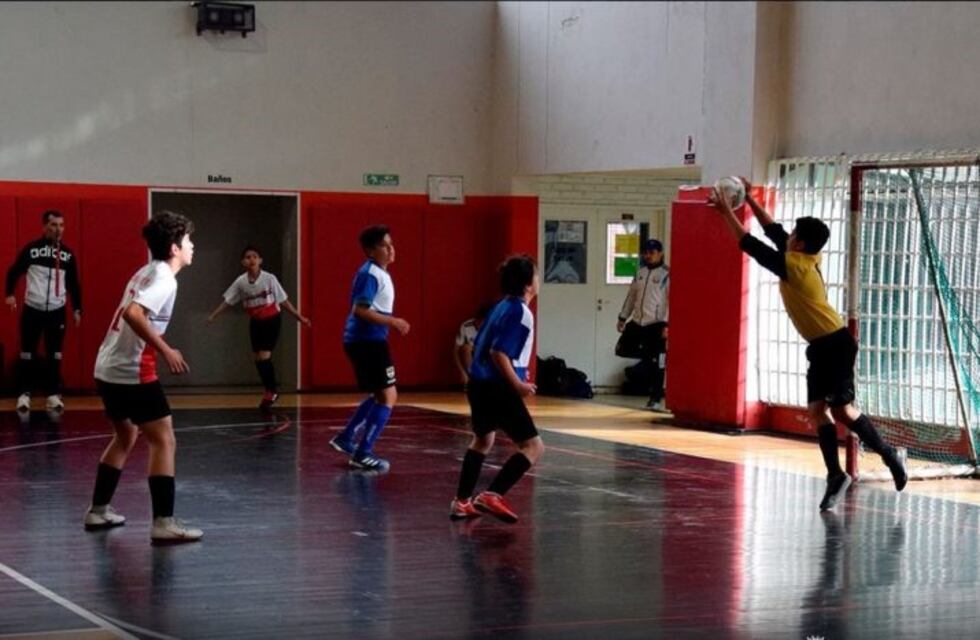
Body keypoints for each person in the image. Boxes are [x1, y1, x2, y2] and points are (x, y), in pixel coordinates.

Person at [711, 177, 907, 511]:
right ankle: (836, 475)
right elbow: (773, 231)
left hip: (836, 344)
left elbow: (750, 244)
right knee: (818, 411)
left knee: (841, 410)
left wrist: (726, 211)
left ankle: (889, 454)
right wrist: (751, 200)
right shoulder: (804, 257)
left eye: (793, 235)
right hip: (820, 346)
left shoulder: (795, 267)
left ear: (799, 244)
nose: (787, 237)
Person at [82, 210, 203, 544]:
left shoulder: (146, 271)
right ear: (175, 247)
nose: (192, 246)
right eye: (188, 240)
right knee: (164, 439)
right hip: (131, 372)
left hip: (107, 367)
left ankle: (98, 510)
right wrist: (167, 350)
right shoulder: (165, 279)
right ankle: (164, 522)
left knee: (125, 436)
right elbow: (133, 314)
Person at [450, 254, 544, 524]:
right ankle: (493, 494)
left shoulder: (500, 306)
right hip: (499, 386)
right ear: (528, 284)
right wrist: (519, 385)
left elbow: (480, 346)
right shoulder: (521, 313)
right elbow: (499, 353)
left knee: (483, 440)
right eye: (536, 274)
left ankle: (461, 501)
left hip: (478, 384)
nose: (539, 279)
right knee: (533, 446)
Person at [328, 225, 410, 472]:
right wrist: (393, 321)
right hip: (367, 341)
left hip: (366, 340)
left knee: (380, 394)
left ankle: (346, 437)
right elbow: (360, 310)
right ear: (370, 250)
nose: (391, 249)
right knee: (388, 396)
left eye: (391, 244)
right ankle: (363, 453)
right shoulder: (370, 274)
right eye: (385, 246)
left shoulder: (379, 273)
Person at [206, 245, 311, 410]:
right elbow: (228, 300)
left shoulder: (269, 279)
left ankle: (272, 391)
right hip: (255, 322)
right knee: (257, 358)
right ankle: (269, 389)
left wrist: (300, 317)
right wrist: (213, 315)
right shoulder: (241, 282)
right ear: (243, 262)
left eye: (255, 256)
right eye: (248, 257)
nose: (252, 259)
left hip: (271, 320)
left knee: (264, 356)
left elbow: (283, 300)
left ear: (260, 260)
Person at [5, 209, 82, 413]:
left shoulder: (68, 255)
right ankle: (24, 394)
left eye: (61, 225)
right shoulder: (32, 250)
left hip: (56, 311)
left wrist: (77, 308)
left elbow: (73, 283)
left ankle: (53, 394)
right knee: (27, 353)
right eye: (54, 225)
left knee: (54, 354)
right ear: (45, 227)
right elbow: (13, 272)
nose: (58, 229)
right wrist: (9, 294)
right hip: (33, 309)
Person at [616, 238, 669, 411]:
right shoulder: (640, 273)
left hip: (657, 323)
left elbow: (672, 301)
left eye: (652, 252)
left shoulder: (667, 274)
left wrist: (667, 324)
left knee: (658, 362)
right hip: (638, 321)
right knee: (622, 348)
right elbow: (631, 297)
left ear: (660, 253)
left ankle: (655, 398)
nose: (648, 255)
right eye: (645, 252)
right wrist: (623, 317)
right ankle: (647, 361)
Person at [453, 303, 493, 388]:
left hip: (488, 359)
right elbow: (456, 351)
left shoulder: (493, 327)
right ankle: (473, 380)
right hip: (472, 361)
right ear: (477, 319)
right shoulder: (466, 326)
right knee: (466, 348)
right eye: (482, 322)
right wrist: (462, 372)